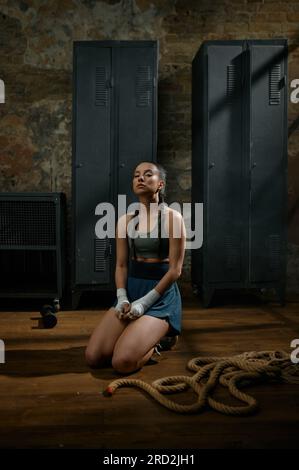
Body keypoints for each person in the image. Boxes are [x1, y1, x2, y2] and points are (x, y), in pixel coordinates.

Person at [85, 161, 186, 374]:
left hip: (160, 296)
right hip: (132, 291)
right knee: (94, 357)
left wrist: (145, 303)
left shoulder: (172, 218)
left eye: (148, 174)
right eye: (136, 175)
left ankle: (158, 341)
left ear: (160, 184)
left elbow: (175, 270)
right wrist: (122, 296)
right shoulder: (125, 220)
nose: (140, 178)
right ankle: (137, 334)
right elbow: (121, 265)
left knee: (122, 362)